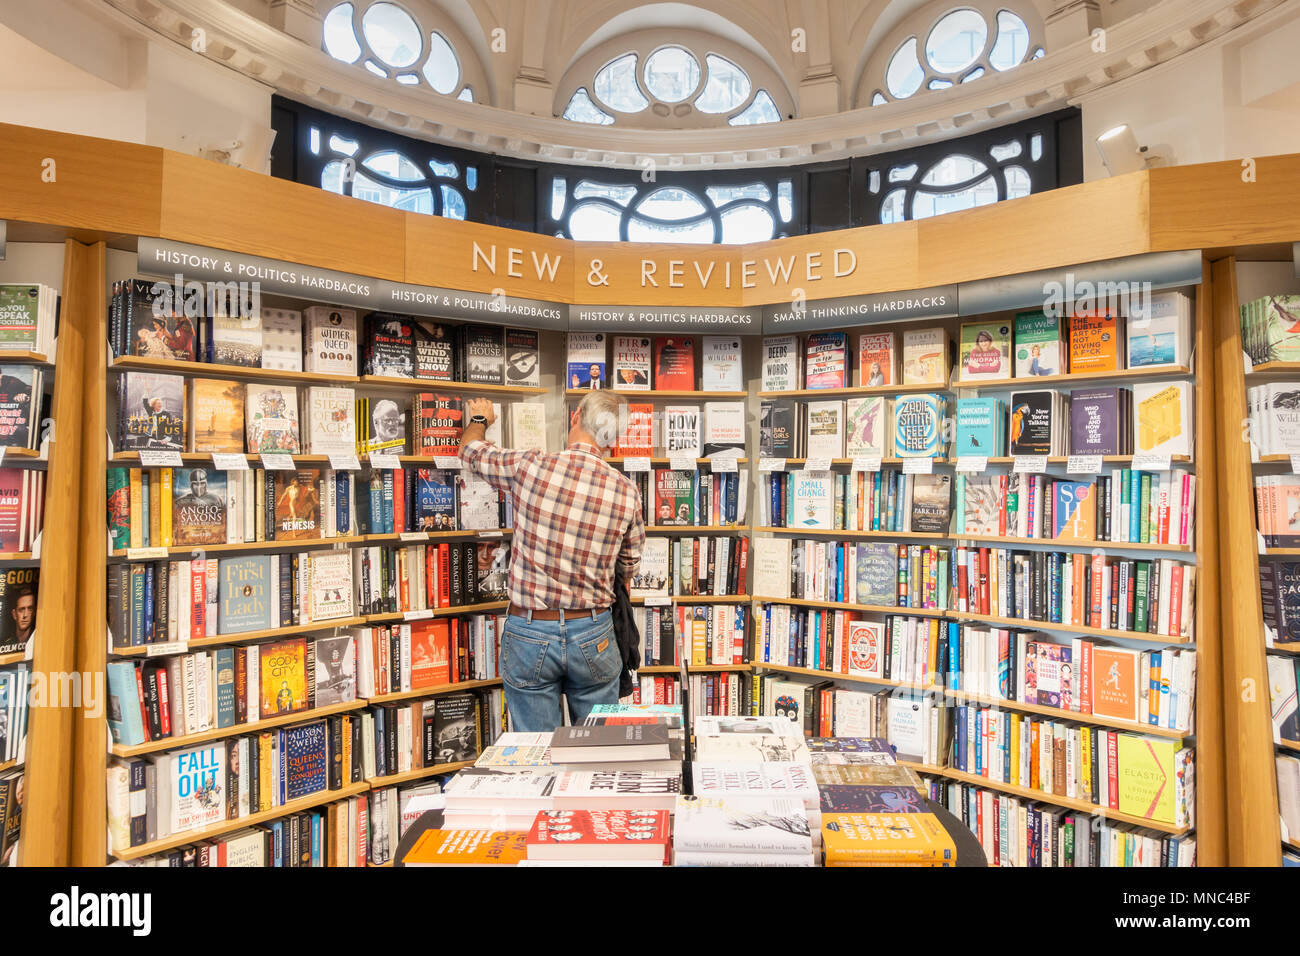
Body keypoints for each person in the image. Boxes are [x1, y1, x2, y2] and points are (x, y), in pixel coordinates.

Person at [459, 390, 644, 731]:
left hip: (530, 628)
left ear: (575, 416)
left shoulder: (531, 466)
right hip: (593, 630)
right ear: (612, 438)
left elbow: (470, 450)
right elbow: (628, 567)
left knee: (536, 755)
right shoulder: (625, 491)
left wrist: (480, 420)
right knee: (598, 748)